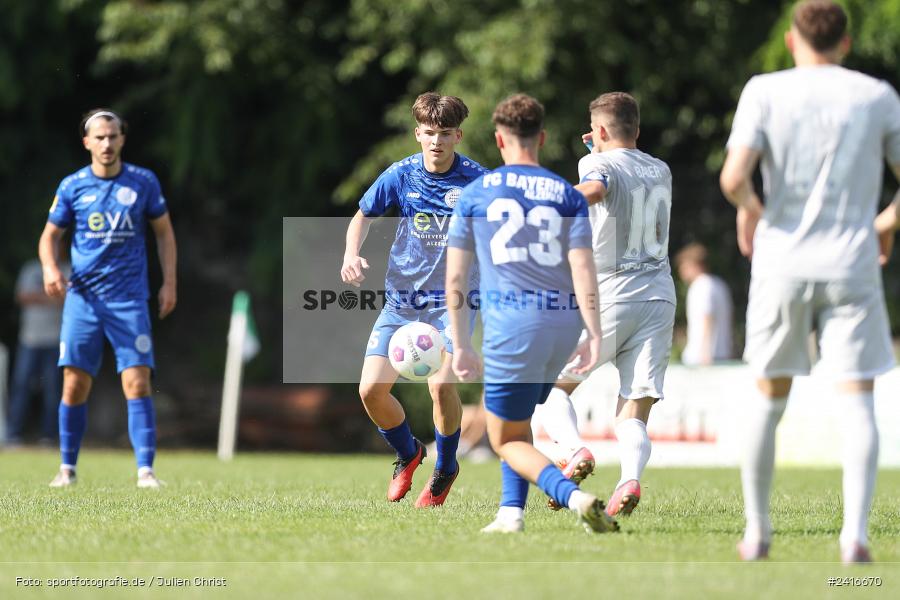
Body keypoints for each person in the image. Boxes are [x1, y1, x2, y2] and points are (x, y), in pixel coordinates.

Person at [720, 0, 900, 564]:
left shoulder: (764, 90)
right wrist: (884, 224)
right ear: (846, 43)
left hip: (782, 263)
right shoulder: (876, 96)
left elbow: (732, 179)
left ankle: (757, 533)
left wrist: (752, 208)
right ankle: (854, 538)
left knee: (769, 399)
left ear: (794, 41)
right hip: (852, 263)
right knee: (858, 403)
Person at [446, 93, 618, 535]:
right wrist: (594, 334)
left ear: (499, 140)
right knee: (517, 423)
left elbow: (457, 279)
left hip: (512, 324)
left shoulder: (474, 194)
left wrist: (462, 344)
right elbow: (583, 267)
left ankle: (575, 498)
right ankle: (511, 514)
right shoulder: (566, 194)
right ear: (540, 138)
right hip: (563, 324)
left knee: (503, 438)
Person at [340, 92, 486, 507]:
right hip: (401, 302)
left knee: (441, 387)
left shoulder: (477, 181)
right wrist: (351, 254)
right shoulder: (401, 174)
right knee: (370, 391)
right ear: (417, 134)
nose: (436, 141)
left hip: (452, 304)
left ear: (457, 135)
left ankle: (447, 466)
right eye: (428, 133)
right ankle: (409, 453)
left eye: (444, 133)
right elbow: (362, 216)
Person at [538, 92, 676, 517]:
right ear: (636, 128)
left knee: (549, 388)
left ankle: (574, 453)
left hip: (611, 292)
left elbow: (597, 188)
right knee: (634, 406)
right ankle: (629, 478)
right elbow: (623, 179)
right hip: (659, 294)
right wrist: (599, 149)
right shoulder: (661, 168)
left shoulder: (593, 163)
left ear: (597, 131)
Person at [39, 108, 177, 488]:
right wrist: (51, 269)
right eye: (99, 137)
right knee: (74, 384)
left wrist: (169, 283)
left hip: (129, 299)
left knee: (137, 381)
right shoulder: (72, 187)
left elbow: (164, 233)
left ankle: (145, 471)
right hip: (83, 300)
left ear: (122, 140)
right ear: (87, 142)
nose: (107, 143)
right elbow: (49, 236)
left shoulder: (143, 182)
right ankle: (67, 468)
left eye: (113, 136)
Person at [6, 258, 69, 445]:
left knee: (52, 389)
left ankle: (48, 436)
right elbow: (22, 297)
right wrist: (50, 297)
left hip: (56, 339)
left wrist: (38, 297)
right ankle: (12, 434)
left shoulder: (67, 269)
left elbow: (68, 298)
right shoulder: (31, 268)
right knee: (21, 386)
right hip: (29, 339)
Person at [674, 242, 733, 366]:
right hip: (723, 353)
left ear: (694, 265)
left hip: (701, 357)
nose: (681, 271)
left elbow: (707, 317)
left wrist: (705, 353)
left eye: (684, 266)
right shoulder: (719, 284)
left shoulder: (700, 286)